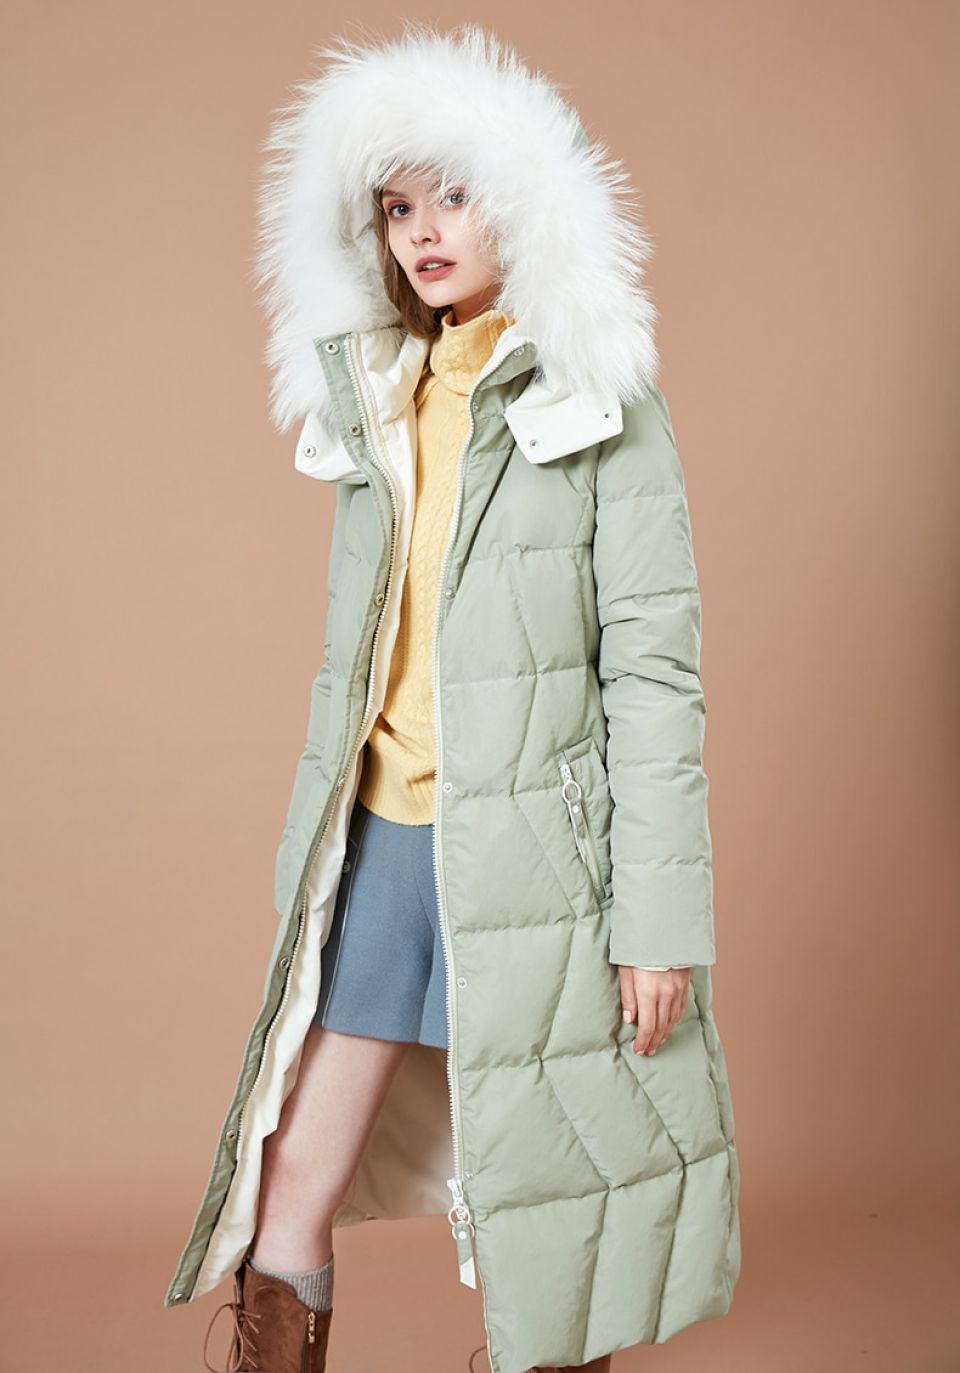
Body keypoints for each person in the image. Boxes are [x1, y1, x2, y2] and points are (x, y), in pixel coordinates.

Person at [169, 22, 741, 1373]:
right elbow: (363, 656)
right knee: (287, 1181)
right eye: (397, 206)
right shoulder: (378, 394)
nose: (424, 231)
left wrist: (658, 924)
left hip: (541, 856)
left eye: (455, 196)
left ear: (525, 203)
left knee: (552, 1194)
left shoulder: (597, 402)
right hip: (382, 840)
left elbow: (654, 674)